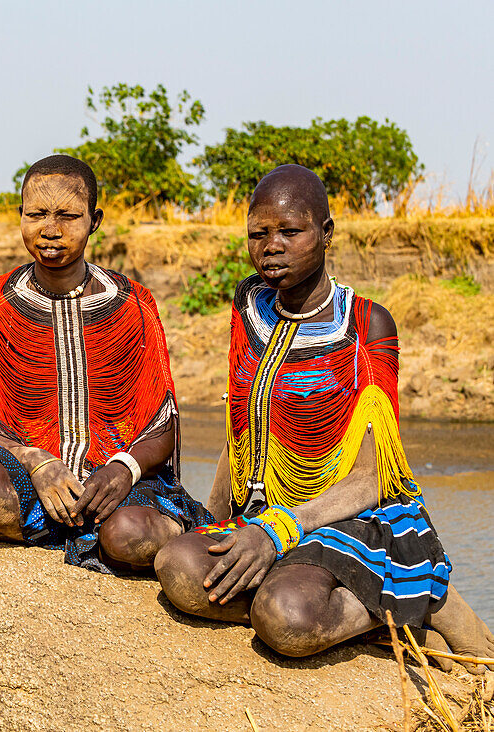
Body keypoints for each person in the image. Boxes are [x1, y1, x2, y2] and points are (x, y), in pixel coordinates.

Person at [154, 165, 494, 671]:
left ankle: (416, 602)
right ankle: (318, 587)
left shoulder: (366, 324)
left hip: (350, 514)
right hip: (265, 509)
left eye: (291, 231)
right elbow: (242, 428)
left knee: (286, 620)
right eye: (258, 233)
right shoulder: (250, 306)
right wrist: (216, 515)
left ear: (327, 234)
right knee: (179, 567)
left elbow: (374, 478)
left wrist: (278, 532)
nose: (271, 246)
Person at [0, 154, 213, 572]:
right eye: (36, 214)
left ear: (94, 220)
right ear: (19, 215)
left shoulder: (133, 305)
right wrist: (34, 461)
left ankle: (104, 529)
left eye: (68, 216)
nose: (50, 230)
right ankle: (69, 530)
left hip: (112, 484)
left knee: (130, 534)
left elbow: (161, 424)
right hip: (30, 477)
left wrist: (123, 470)